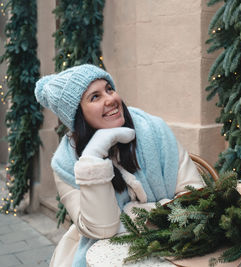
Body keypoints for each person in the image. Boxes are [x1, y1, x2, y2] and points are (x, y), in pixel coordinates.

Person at [34, 64, 205, 267]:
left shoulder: (154, 131)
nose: (111, 99)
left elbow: (196, 196)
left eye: (109, 89)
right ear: (77, 115)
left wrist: (133, 215)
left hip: (174, 246)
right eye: (95, 97)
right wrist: (94, 156)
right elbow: (103, 230)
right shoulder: (65, 163)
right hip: (106, 256)